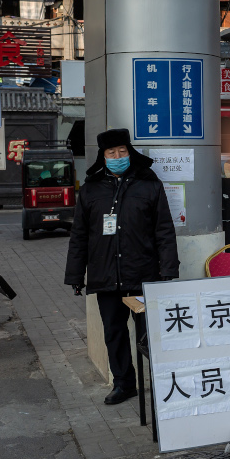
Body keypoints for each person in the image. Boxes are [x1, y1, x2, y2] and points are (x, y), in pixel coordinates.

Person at [65, 128, 180, 405]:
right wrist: (75, 275)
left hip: (142, 275)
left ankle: (162, 384)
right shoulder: (91, 189)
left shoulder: (149, 184)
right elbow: (80, 235)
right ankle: (124, 384)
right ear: (102, 156)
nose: (117, 157)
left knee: (148, 335)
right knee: (114, 334)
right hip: (106, 276)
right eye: (111, 153)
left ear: (129, 152)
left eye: (122, 151)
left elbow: (164, 230)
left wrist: (168, 271)